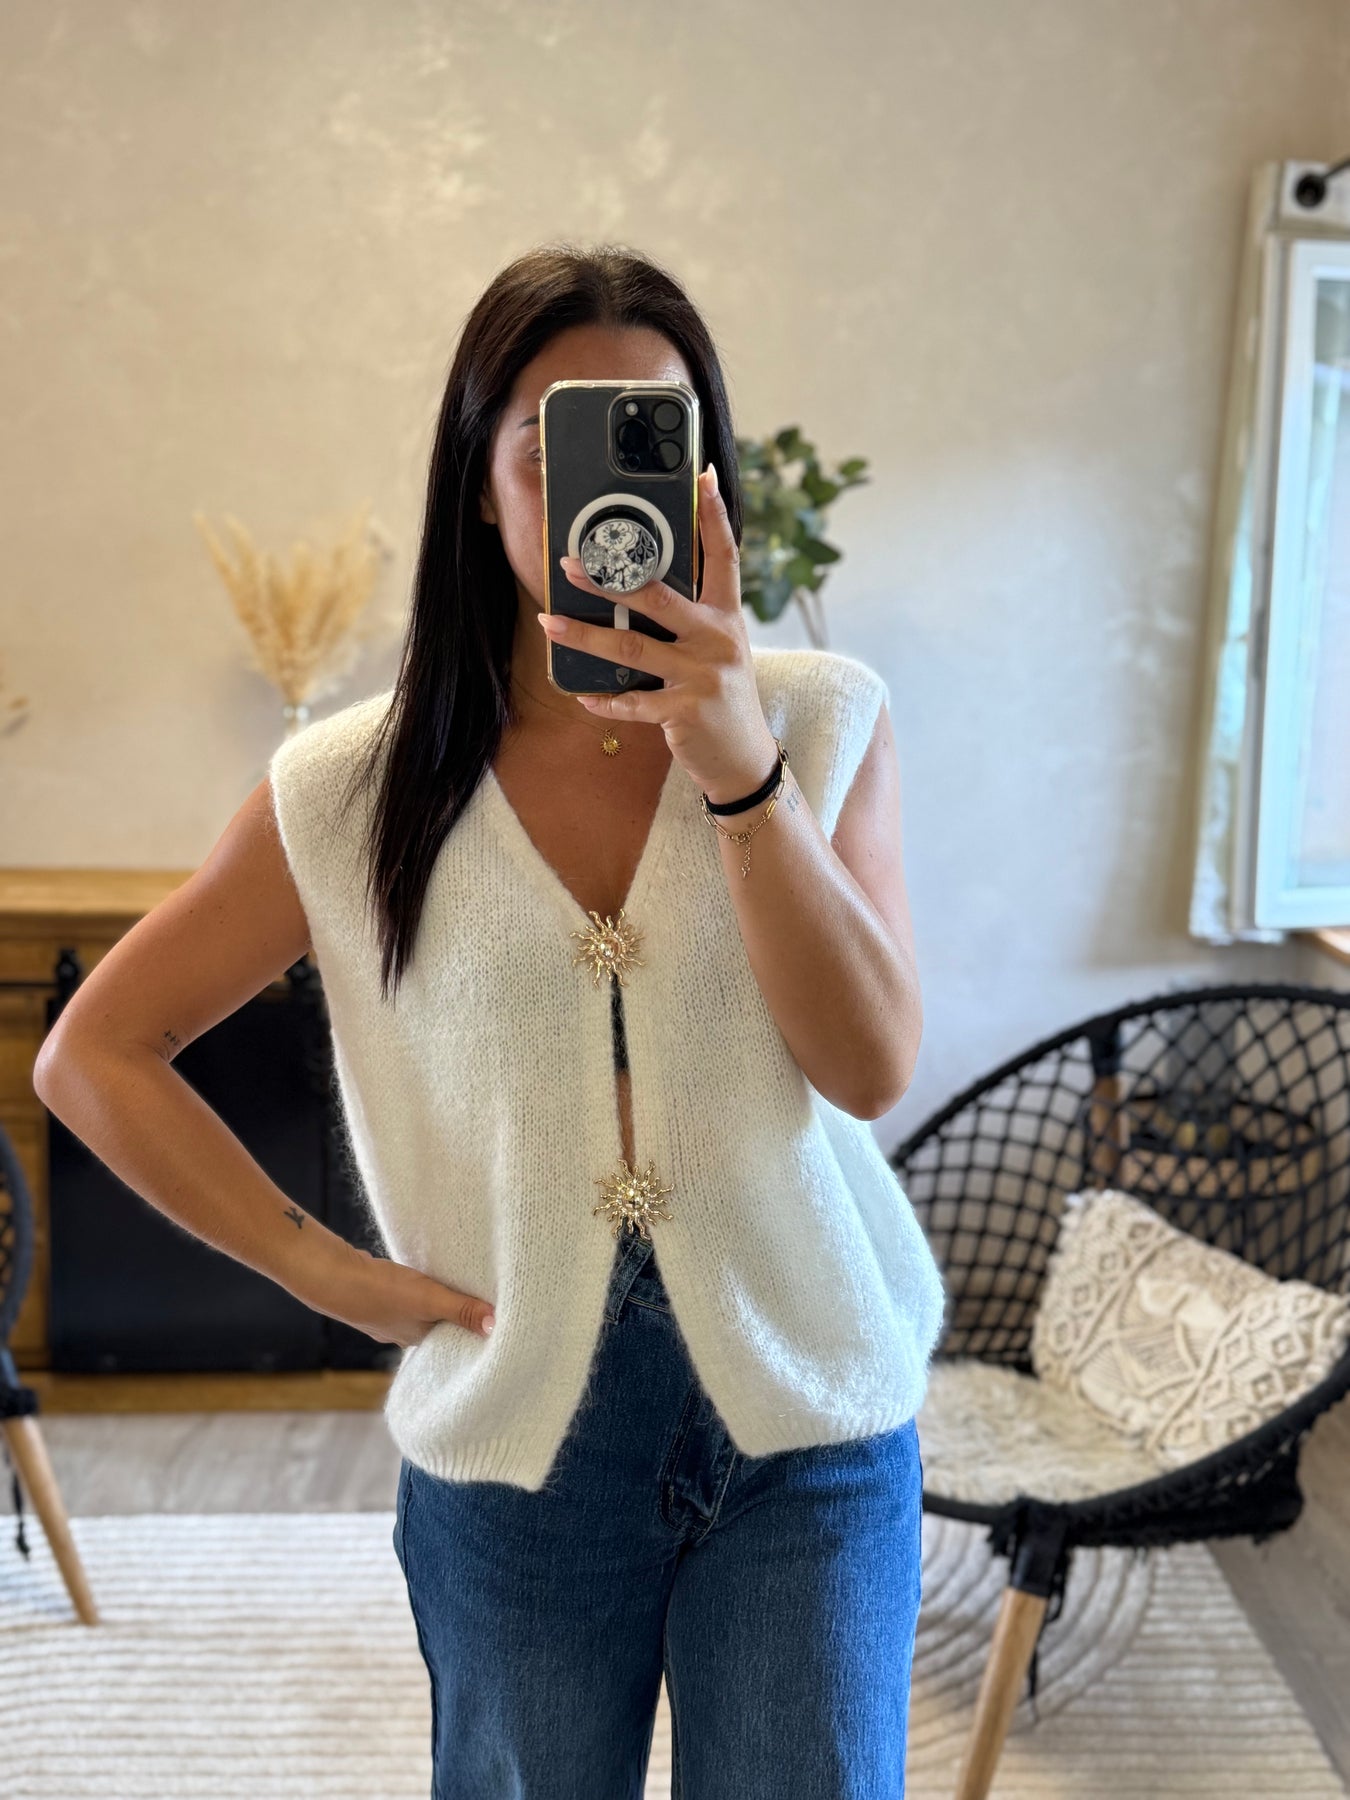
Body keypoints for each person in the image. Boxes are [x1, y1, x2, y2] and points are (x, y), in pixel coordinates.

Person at [34, 244, 946, 1798]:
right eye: (552, 442)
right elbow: (94, 1056)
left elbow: (865, 1068)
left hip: (809, 1418)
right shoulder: (351, 787)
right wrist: (324, 1271)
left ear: (705, 476)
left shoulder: (817, 717)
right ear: (479, 482)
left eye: (652, 434)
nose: (603, 489)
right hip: (522, 1435)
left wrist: (736, 769)